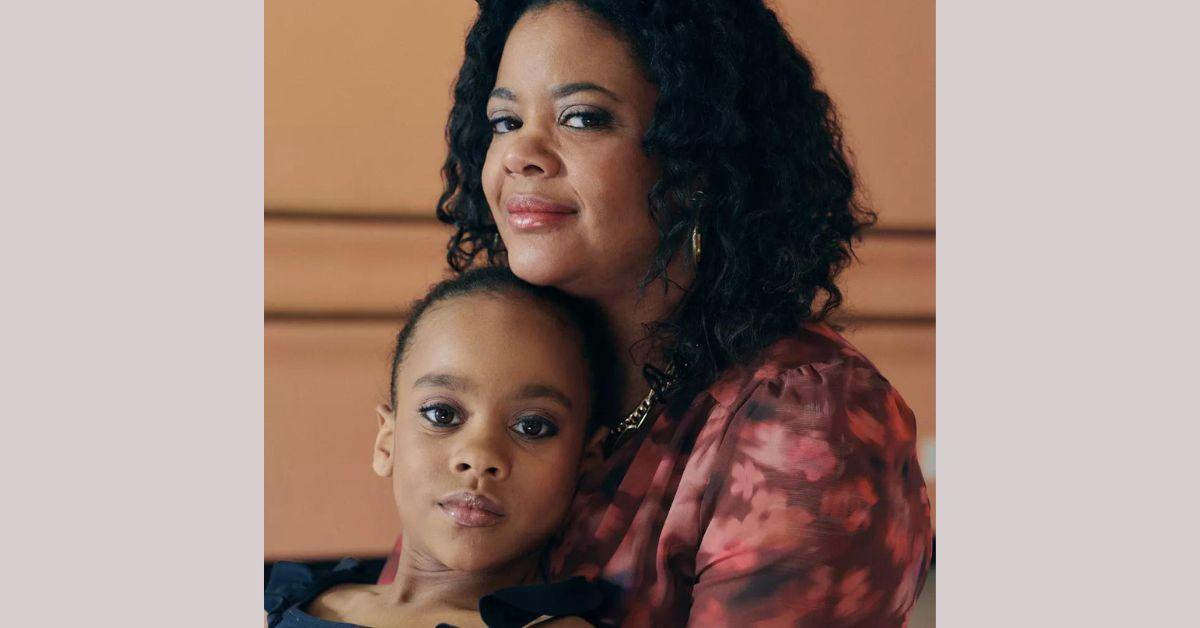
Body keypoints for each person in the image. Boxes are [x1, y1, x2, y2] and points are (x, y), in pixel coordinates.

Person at [384, 0, 934, 625]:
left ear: (699, 159)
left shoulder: (805, 420)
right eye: (505, 121)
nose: (520, 154)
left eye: (582, 118)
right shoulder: (510, 369)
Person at [266, 267, 621, 627]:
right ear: (387, 443)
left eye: (532, 426)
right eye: (442, 414)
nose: (479, 457)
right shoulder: (291, 603)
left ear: (586, 461)